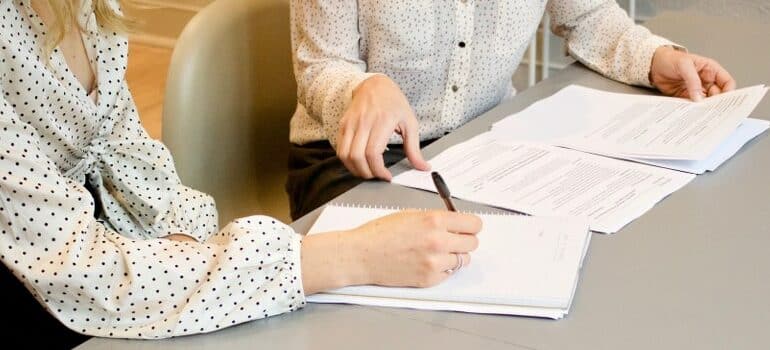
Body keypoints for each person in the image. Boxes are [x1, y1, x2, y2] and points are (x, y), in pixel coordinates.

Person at [0, 1, 483, 348]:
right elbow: (83, 271)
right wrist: (349, 257)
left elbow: (131, 159)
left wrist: (191, 248)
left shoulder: (86, 10)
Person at [286, 0, 737, 219]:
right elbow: (320, 64)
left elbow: (588, 16)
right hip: (352, 158)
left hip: (483, 143)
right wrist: (362, 89)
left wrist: (656, 59)